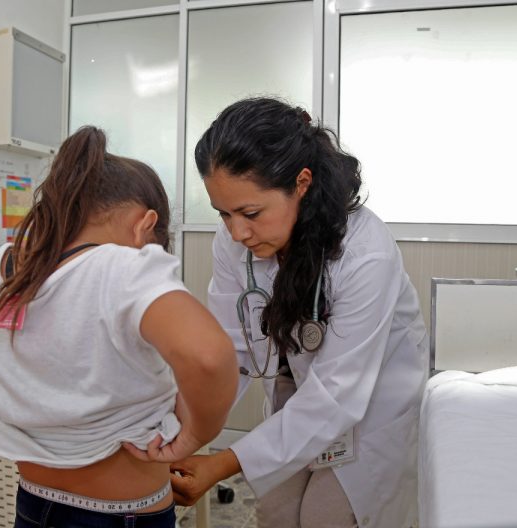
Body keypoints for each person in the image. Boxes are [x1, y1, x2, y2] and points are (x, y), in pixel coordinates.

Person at [0, 126, 238, 528]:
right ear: (144, 225)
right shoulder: (122, 267)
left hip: (34, 505)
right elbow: (208, 356)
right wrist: (196, 434)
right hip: (123, 515)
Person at [129, 98, 428, 528]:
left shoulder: (366, 254)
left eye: (250, 213)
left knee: (325, 518)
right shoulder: (234, 241)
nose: (237, 232)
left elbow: (336, 397)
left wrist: (222, 463)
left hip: (372, 405)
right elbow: (230, 351)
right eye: (223, 214)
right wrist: (181, 429)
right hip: (299, 390)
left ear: (301, 183)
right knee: (277, 513)